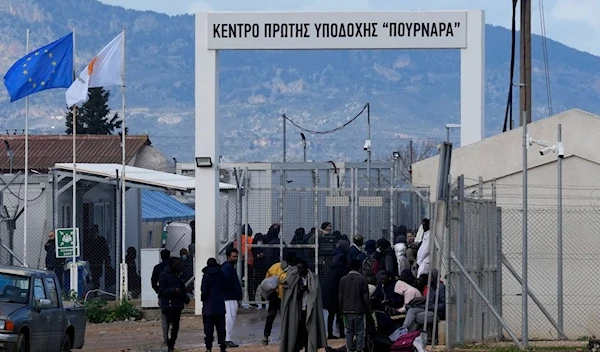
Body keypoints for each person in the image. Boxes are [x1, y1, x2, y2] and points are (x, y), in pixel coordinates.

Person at [280, 259, 327, 352]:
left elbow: (316, 295)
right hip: (297, 310)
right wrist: (299, 291)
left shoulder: (313, 278)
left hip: (309, 310)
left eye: (301, 268)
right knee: (296, 333)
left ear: (306, 268)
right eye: (298, 268)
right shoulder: (293, 279)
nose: (299, 270)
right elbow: (288, 293)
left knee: (308, 333)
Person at [261, 252, 297, 346]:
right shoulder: (292, 270)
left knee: (270, 317)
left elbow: (267, 279)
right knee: (285, 318)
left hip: (273, 295)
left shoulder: (275, 266)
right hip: (284, 297)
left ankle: (266, 336)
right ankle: (285, 337)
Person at [159, 256, 190, 352]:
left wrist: (185, 298)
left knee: (176, 326)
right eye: (178, 264)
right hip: (168, 305)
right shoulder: (164, 275)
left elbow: (182, 289)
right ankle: (168, 343)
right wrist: (173, 290)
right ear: (172, 265)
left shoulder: (179, 276)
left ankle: (171, 344)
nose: (180, 266)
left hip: (177, 305)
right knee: (168, 323)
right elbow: (161, 291)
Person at [339, 259, 370, 352]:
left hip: (346, 310)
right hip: (359, 310)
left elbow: (340, 295)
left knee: (349, 331)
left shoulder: (343, 279)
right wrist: (368, 308)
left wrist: (341, 307)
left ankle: (349, 349)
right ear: (360, 267)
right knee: (360, 331)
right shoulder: (362, 279)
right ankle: (359, 349)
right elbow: (365, 296)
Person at [201, 258, 227, 352]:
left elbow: (203, 290)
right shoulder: (221, 274)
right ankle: (222, 346)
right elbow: (225, 287)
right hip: (219, 305)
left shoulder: (206, 275)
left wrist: (203, 299)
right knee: (221, 328)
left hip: (208, 306)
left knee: (208, 329)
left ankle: (208, 348)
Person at [322, 255, 348, 339]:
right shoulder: (343, 270)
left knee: (331, 315)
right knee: (340, 315)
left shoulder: (331, 269)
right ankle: (341, 333)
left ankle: (330, 333)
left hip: (328, 295)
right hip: (337, 295)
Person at [221, 248, 242, 348]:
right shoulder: (227, 268)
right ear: (228, 257)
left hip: (230, 297)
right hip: (229, 298)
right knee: (229, 319)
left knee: (229, 319)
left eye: (236, 256)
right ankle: (227, 339)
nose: (236, 258)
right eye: (233, 256)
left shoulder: (228, 267)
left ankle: (226, 339)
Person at [151, 249, 171, 346]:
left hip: (163, 295)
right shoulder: (173, 267)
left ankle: (166, 338)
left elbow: (153, 281)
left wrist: (158, 290)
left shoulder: (157, 268)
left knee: (164, 316)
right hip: (174, 294)